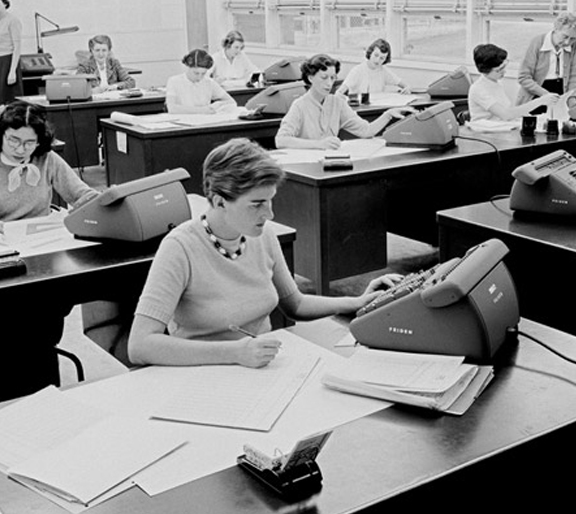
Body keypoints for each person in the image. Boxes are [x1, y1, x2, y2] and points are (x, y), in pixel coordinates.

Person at [127, 138, 401, 367]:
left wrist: (358, 302)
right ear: (220, 201)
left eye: (270, 201)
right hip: (202, 373)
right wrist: (235, 353)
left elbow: (296, 304)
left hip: (262, 367)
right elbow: (140, 345)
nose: (269, 214)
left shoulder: (263, 233)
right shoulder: (180, 247)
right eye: (257, 204)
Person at [0, 101, 99, 234]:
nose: (20, 150)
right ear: (0, 135)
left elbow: (82, 195)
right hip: (0, 237)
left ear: (39, 142)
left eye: (29, 143)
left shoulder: (47, 159)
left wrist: (107, 199)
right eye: (13, 140)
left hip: (44, 235)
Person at [275, 54, 416, 150]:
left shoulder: (337, 103)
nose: (329, 83)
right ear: (310, 78)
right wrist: (318, 144)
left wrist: (388, 114)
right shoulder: (299, 105)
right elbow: (280, 140)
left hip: (329, 161)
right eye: (324, 77)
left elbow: (366, 131)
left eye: (332, 78)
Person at [516, 11, 576, 114]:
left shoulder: (574, 45)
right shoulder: (537, 42)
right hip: (536, 95)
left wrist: (572, 100)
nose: (568, 42)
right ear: (556, 29)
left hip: (559, 93)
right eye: (565, 36)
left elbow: (574, 76)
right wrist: (545, 95)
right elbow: (523, 77)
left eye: (573, 38)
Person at [468, 44, 558, 122]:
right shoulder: (478, 89)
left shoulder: (495, 84)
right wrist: (540, 101)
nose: (504, 71)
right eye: (499, 70)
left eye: (504, 66)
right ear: (485, 70)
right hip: (485, 133)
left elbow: (510, 111)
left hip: (500, 128)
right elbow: (506, 115)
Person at [165, 49, 236, 114]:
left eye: (203, 73)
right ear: (188, 67)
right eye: (196, 73)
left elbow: (231, 102)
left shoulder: (209, 82)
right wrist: (202, 110)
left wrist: (217, 105)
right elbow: (172, 108)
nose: (199, 78)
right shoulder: (174, 81)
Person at [336, 38, 410, 96]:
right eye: (376, 55)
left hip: (376, 107)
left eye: (382, 58)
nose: (377, 60)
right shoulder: (357, 71)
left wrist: (407, 88)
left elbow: (403, 84)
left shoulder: (383, 71)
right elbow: (339, 92)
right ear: (370, 53)